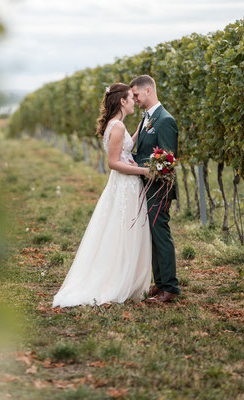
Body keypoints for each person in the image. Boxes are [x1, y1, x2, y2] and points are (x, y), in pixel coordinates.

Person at [52, 83, 151, 307]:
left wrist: (141, 129)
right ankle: (118, 280)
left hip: (125, 185)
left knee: (121, 231)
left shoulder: (116, 126)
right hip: (125, 184)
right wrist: (144, 171)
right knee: (122, 233)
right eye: (130, 98)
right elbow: (114, 163)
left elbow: (126, 147)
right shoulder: (116, 127)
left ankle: (127, 278)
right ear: (122, 102)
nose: (135, 101)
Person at [130, 75, 181, 303]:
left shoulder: (165, 120)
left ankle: (170, 287)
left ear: (148, 91)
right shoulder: (147, 119)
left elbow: (167, 160)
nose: (136, 100)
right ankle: (159, 283)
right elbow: (145, 152)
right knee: (152, 235)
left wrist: (138, 166)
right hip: (146, 187)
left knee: (161, 235)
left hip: (159, 188)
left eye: (137, 95)